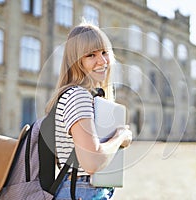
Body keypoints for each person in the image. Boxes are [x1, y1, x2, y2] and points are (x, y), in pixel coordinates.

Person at [45, 22, 133, 200]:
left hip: (83, 190)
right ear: (76, 62)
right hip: (82, 191)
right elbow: (92, 161)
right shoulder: (78, 96)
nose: (102, 61)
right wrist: (120, 137)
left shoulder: (87, 97)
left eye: (104, 52)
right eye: (91, 55)